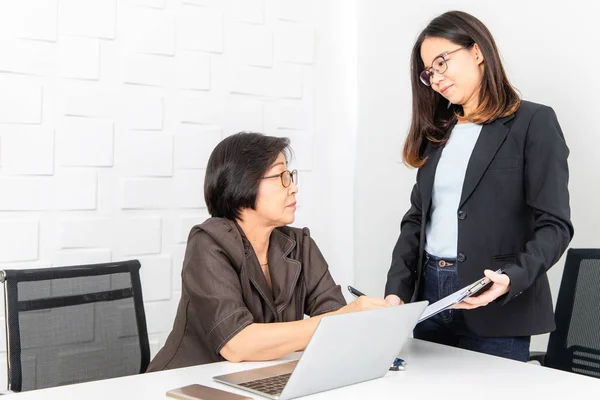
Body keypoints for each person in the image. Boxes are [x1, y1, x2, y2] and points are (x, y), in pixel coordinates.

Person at [384, 11, 573, 361]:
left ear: (476, 51)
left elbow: (555, 225)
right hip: (431, 298)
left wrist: (511, 279)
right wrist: (396, 291)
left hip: (495, 302)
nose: (436, 78)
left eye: (442, 62)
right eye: (429, 72)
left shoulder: (533, 122)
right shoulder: (438, 134)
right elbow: (417, 220)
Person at [147, 132, 389, 371]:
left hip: (255, 381)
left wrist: (363, 320)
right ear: (242, 184)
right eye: (282, 176)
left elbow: (335, 323)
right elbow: (237, 344)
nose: (293, 188)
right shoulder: (209, 242)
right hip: (185, 386)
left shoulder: (299, 244)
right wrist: (338, 320)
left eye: (291, 176)